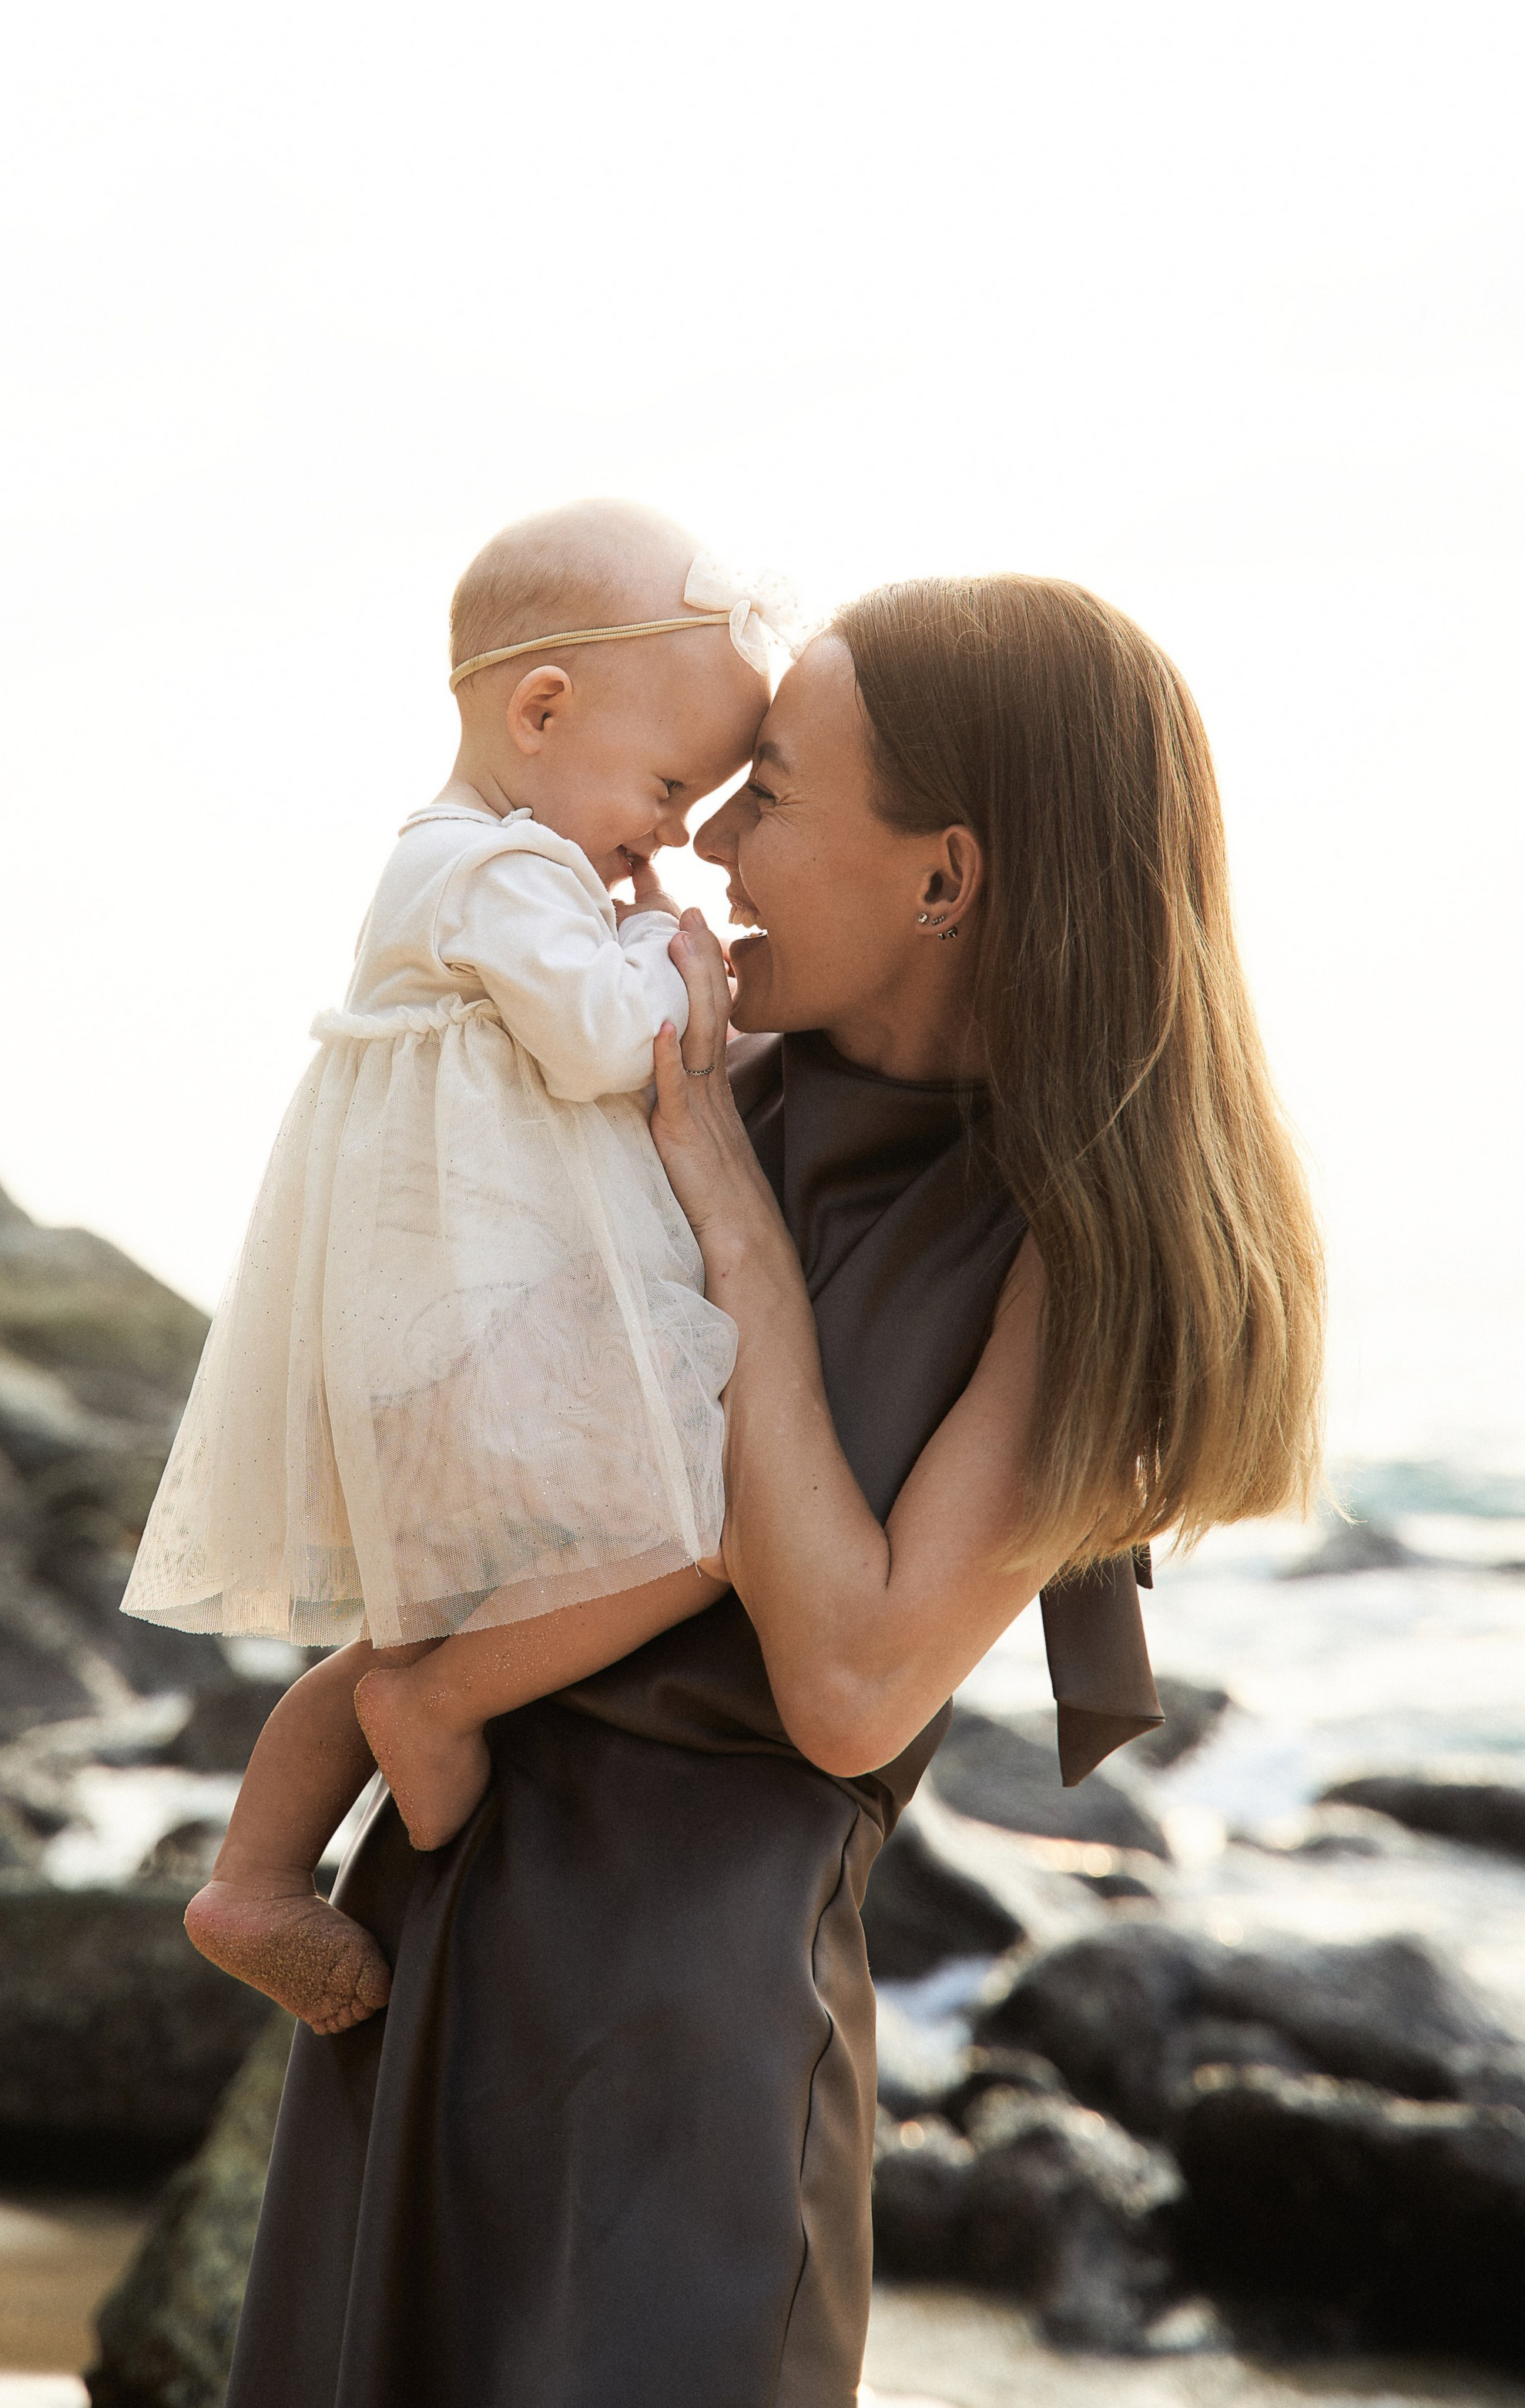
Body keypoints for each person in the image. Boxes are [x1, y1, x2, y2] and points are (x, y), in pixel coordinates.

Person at [225, 572, 1325, 2408]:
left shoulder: (1077, 1256)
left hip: (685, 2050)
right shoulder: (653, 1070)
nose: (712, 839)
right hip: (423, 1935)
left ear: (944, 878)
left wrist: (728, 1224)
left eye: (776, 792)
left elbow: (847, 1685)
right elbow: (406, 1444)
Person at [123, 500, 793, 2034]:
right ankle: (430, 1713)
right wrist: (678, 962)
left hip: (442, 1327)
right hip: (480, 1329)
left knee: (426, 1613)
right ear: (538, 710)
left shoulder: (476, 865)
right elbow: (597, 1041)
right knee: (703, 1533)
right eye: (667, 787)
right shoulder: (494, 873)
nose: (671, 839)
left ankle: (256, 1876)